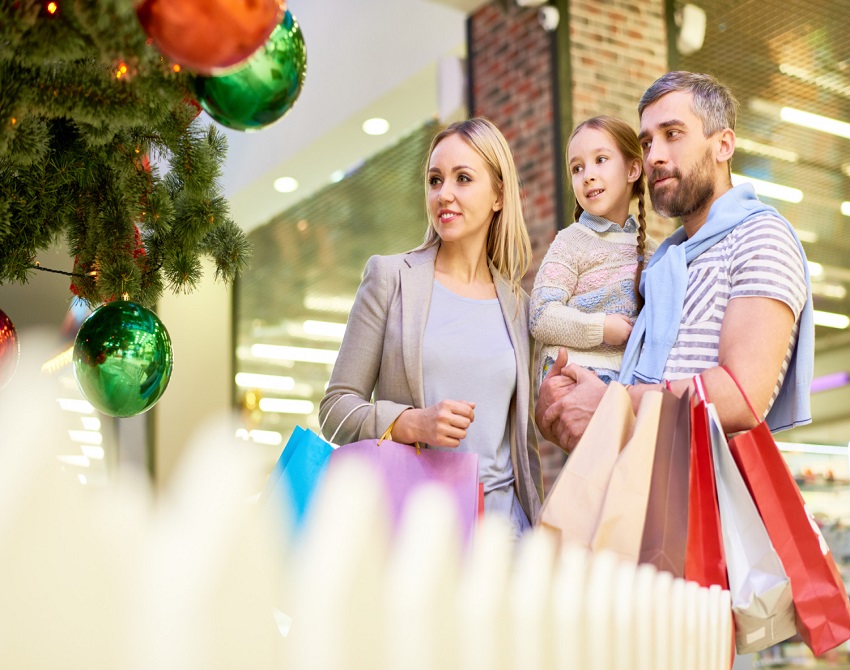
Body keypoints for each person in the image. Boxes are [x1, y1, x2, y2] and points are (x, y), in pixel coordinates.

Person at [537, 71, 814, 452]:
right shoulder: (663, 263)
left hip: (705, 495)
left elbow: (740, 396)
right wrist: (561, 403)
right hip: (641, 486)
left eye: (673, 134)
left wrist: (610, 403)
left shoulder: (759, 237)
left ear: (723, 145)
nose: (654, 156)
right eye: (647, 142)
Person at [319, 117, 543, 538]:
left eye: (463, 179)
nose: (445, 194)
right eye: (435, 180)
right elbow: (335, 409)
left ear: (498, 194)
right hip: (420, 538)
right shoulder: (390, 279)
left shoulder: (519, 308)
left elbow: (521, 446)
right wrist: (411, 423)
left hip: (505, 539)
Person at [529, 115, 658, 387]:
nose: (587, 175)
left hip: (623, 389)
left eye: (600, 160)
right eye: (577, 168)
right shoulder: (570, 242)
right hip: (570, 381)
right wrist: (600, 328)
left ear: (633, 170)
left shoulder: (652, 253)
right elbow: (541, 315)